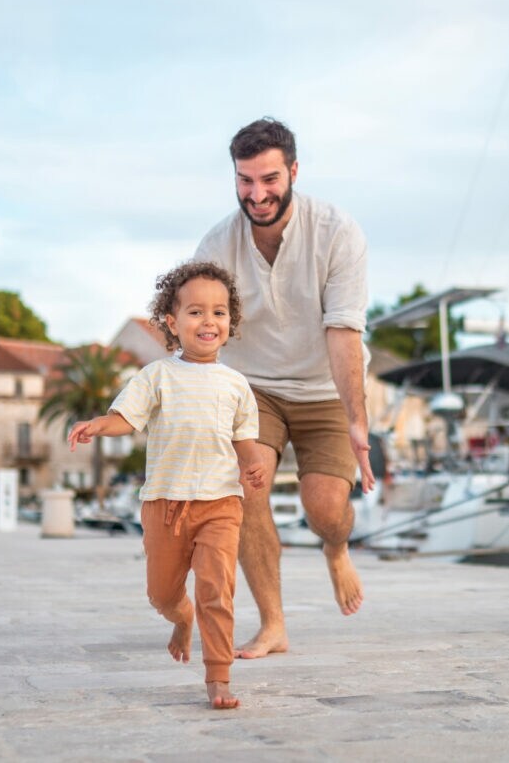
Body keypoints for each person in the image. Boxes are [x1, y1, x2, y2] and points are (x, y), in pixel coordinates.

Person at [195, 117, 375, 659]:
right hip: (257, 390)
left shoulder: (337, 232)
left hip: (325, 385)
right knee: (248, 488)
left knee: (325, 509)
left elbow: (343, 333)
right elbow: (201, 331)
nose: (258, 194)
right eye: (246, 180)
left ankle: (336, 547)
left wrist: (357, 419)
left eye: (269, 179)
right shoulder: (216, 244)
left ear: (293, 171)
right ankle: (273, 624)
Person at [68, 262, 267, 709]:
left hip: (220, 502)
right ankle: (181, 619)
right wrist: (99, 424)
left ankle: (218, 676)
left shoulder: (236, 385)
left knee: (217, 587)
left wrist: (253, 466)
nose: (208, 321)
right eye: (196, 312)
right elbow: (127, 418)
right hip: (164, 504)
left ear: (230, 323)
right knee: (161, 593)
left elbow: (245, 440)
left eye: (219, 312)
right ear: (172, 323)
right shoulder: (157, 376)